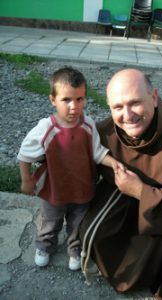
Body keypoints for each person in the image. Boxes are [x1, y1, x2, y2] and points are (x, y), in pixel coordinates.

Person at [79, 68, 162, 300]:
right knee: (93, 231)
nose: (127, 115)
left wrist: (140, 191)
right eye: (117, 107)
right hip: (124, 198)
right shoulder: (104, 131)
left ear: (154, 98)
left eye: (135, 103)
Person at [17, 66, 124, 271]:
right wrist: (26, 179)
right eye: (66, 100)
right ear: (53, 100)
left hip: (82, 189)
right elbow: (25, 154)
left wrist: (114, 163)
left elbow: (97, 152)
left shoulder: (88, 125)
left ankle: (74, 249)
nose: (74, 106)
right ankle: (44, 246)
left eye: (79, 99)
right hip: (54, 189)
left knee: (78, 224)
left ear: (85, 98)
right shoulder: (45, 128)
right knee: (50, 221)